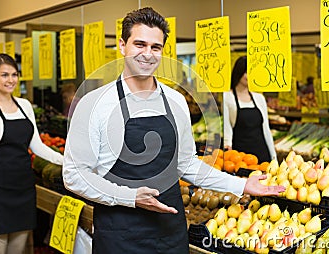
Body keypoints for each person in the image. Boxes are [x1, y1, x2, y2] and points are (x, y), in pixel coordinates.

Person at [63, 7, 284, 254]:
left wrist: (241, 185)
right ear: (122, 45)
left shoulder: (175, 101)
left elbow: (187, 165)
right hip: (119, 235)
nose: (147, 54)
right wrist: (130, 196)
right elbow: (74, 175)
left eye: (155, 47)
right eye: (139, 44)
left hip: (170, 233)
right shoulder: (94, 104)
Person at [0, 53, 64, 254]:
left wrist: (67, 161)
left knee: (18, 248)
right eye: (4, 75)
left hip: (22, 189)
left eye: (14, 74)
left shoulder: (25, 106)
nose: (10, 80)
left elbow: (36, 146)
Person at [223, 56, 276, 163]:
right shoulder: (227, 97)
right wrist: (227, 145)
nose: (250, 76)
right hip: (240, 157)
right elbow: (227, 125)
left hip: (262, 154)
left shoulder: (259, 98)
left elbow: (266, 128)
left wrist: (273, 157)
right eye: (247, 72)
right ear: (239, 72)